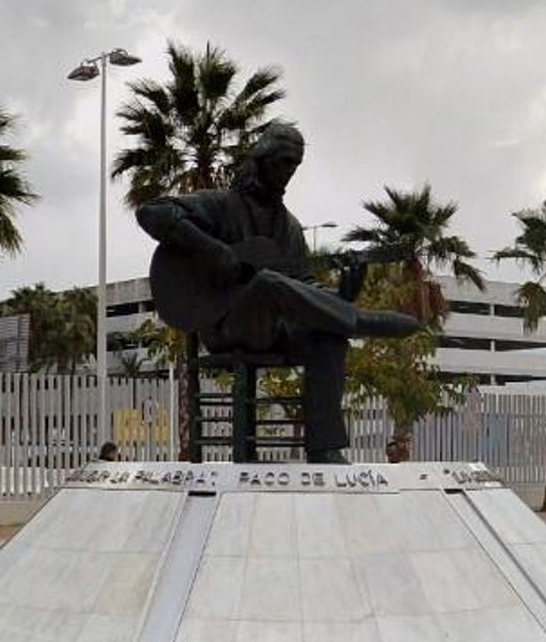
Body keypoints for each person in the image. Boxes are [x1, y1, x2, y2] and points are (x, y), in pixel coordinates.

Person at [136, 122, 418, 464]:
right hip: (226, 324)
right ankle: (357, 321)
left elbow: (303, 292)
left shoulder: (290, 227)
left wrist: (345, 292)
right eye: (284, 162)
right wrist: (212, 249)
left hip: (273, 329)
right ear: (262, 158)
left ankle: (324, 447)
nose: (289, 172)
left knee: (328, 338)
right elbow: (151, 212)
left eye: (295, 165)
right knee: (268, 282)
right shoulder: (221, 204)